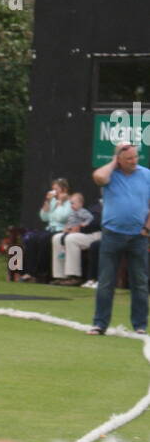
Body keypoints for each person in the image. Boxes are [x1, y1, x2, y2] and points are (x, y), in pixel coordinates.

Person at [90, 142, 150, 335]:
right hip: (112, 233)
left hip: (138, 236)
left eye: (135, 157)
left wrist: (147, 228)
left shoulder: (146, 174)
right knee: (106, 281)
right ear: (119, 160)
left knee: (140, 282)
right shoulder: (110, 174)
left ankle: (140, 325)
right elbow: (98, 177)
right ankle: (100, 323)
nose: (134, 161)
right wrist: (113, 163)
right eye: (129, 158)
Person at [20, 178, 70, 281]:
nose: (54, 191)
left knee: (43, 239)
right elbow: (44, 217)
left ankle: (41, 273)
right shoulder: (53, 201)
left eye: (56, 189)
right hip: (50, 229)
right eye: (53, 189)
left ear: (64, 189)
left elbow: (62, 218)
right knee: (31, 238)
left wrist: (60, 203)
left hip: (61, 230)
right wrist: (47, 201)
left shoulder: (68, 202)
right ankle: (28, 272)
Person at [50, 192, 94, 283]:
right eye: (70, 203)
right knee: (57, 238)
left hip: (85, 233)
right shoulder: (72, 213)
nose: (71, 205)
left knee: (71, 239)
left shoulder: (83, 212)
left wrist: (82, 226)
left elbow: (91, 219)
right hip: (71, 232)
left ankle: (73, 276)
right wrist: (66, 228)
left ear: (81, 204)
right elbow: (69, 222)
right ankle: (60, 276)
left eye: (73, 203)